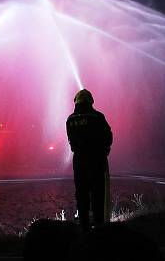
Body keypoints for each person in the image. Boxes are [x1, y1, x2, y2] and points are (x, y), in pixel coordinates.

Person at [66, 89, 113, 232]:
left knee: (81, 193)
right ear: (90, 101)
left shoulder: (70, 119)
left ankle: (84, 225)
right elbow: (108, 136)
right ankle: (99, 226)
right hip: (97, 160)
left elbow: (71, 140)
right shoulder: (97, 117)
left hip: (79, 161)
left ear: (76, 102)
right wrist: (104, 150)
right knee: (98, 192)